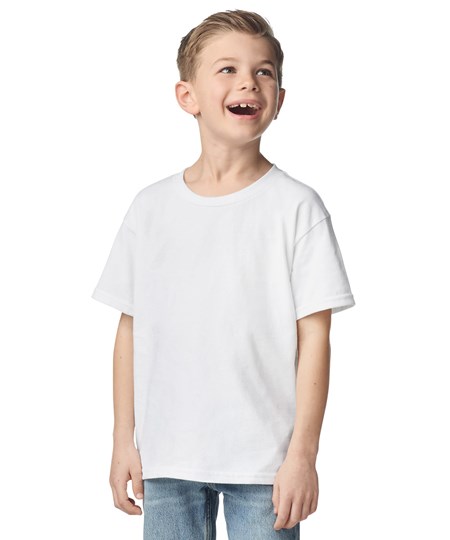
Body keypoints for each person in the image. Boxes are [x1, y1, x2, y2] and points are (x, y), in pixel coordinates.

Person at [91, 9, 356, 539]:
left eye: (264, 72)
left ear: (280, 99)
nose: (248, 82)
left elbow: (315, 337)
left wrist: (303, 454)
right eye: (227, 69)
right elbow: (129, 328)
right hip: (167, 458)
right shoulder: (150, 208)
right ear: (187, 96)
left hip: (265, 466)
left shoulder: (296, 207)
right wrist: (123, 440)